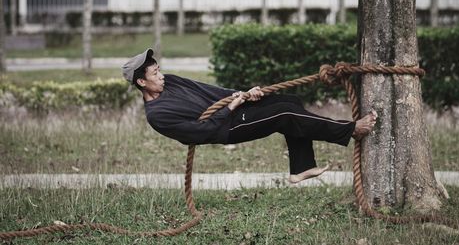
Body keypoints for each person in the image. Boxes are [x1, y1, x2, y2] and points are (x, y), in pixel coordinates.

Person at [122, 49, 377, 183]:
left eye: (159, 70)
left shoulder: (172, 82)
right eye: (155, 74)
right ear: (142, 82)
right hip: (227, 128)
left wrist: (241, 94)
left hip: (233, 109)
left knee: (290, 101)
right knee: (285, 113)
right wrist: (230, 108)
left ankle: (301, 167)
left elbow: (210, 90)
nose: (162, 75)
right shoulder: (157, 115)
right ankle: (351, 129)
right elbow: (200, 133)